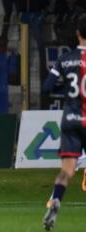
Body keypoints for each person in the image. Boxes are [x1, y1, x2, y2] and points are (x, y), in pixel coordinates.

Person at [42, 14, 86, 231]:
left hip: (70, 120)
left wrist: (69, 95)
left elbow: (47, 87)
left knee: (67, 170)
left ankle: (56, 199)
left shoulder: (65, 58)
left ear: (77, 33)